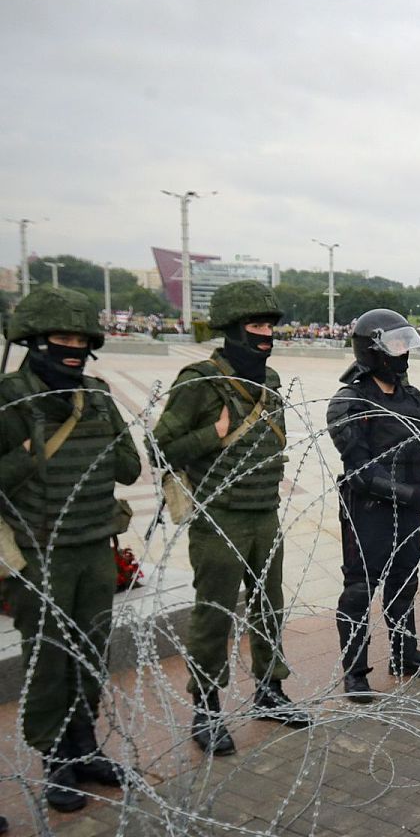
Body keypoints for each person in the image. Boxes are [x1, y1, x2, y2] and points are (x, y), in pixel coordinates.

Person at [152, 280, 310, 756]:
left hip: (264, 514)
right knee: (214, 614)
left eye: (269, 326)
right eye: (256, 326)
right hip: (219, 517)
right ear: (233, 330)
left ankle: (270, 690)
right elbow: (160, 446)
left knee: (269, 606)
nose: (265, 334)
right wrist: (213, 434)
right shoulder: (199, 381)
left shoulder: (270, 383)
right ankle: (207, 705)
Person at [0, 287, 142, 811]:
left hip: (93, 548)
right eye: (61, 339)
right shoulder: (9, 398)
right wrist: (27, 456)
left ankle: (84, 745)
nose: (72, 349)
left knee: (88, 653)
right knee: (50, 658)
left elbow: (129, 467)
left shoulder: (97, 396)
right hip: (40, 553)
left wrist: (100, 434)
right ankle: (54, 757)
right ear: (35, 341)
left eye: (81, 340)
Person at [328, 309, 420, 701]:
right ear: (373, 349)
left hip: (411, 508)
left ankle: (404, 651)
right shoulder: (350, 401)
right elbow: (359, 467)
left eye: (404, 345)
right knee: (360, 590)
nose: (402, 353)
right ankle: (356, 671)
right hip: (369, 512)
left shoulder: (413, 397)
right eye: (395, 345)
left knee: (403, 583)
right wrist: (406, 492)